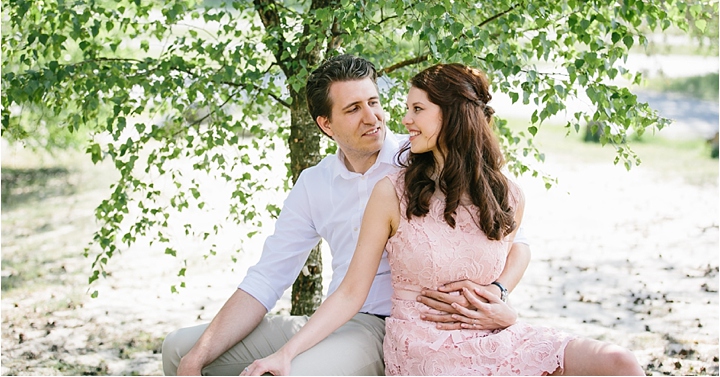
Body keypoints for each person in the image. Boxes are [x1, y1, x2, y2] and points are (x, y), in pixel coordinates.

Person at [241, 63, 644, 376]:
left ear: (451, 116)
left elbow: (516, 250)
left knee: (620, 364)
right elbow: (350, 292)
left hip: (493, 334)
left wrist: (500, 296)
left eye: (417, 109)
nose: (404, 121)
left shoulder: (507, 194)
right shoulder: (393, 191)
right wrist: (286, 353)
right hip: (423, 347)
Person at [162, 55, 532, 375]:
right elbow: (267, 279)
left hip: (394, 325)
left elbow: (514, 243)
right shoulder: (315, 183)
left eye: (374, 102)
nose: (373, 118)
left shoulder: (422, 152)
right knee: (181, 351)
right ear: (326, 124)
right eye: (353, 109)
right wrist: (197, 359)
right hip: (334, 316)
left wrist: (496, 295)